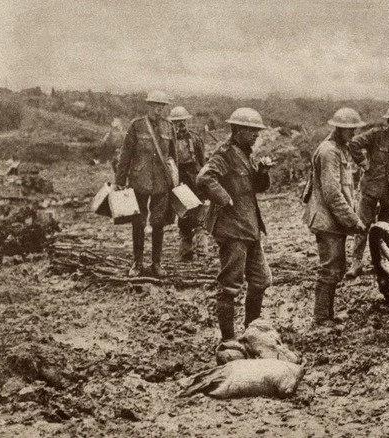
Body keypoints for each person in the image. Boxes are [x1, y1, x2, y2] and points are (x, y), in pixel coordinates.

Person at [196, 108, 274, 346]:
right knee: (230, 285)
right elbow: (204, 178)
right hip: (232, 229)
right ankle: (229, 340)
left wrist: (262, 172)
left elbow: (258, 188)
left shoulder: (246, 154)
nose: (255, 136)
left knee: (260, 280)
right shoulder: (225, 154)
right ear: (237, 130)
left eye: (257, 132)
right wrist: (224, 198)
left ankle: (251, 333)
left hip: (249, 227)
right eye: (251, 131)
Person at [303, 108, 367, 325]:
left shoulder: (339, 148)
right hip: (326, 219)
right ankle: (321, 317)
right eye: (348, 129)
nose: (353, 133)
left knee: (336, 267)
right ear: (337, 128)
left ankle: (327, 315)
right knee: (330, 268)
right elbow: (332, 194)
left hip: (332, 219)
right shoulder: (329, 152)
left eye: (354, 129)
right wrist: (353, 220)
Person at [345, 105, 389, 278]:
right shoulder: (375, 134)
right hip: (370, 187)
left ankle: (382, 262)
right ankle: (356, 262)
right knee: (362, 225)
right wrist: (363, 163)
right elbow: (353, 144)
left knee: (386, 228)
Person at [115, 90, 176, 278]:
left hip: (161, 182)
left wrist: (175, 182)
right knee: (138, 222)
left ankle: (156, 263)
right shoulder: (137, 125)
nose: (158, 110)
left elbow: (173, 157)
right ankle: (137, 262)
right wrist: (120, 181)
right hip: (139, 180)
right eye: (155, 106)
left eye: (161, 107)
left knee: (158, 222)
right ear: (148, 106)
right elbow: (125, 155)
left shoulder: (169, 127)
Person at [167, 106, 206, 261]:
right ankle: (186, 251)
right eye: (177, 122)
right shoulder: (168, 141)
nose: (181, 125)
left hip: (194, 180)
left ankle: (202, 251)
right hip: (179, 182)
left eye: (183, 121)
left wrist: (203, 182)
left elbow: (202, 162)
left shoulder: (196, 139)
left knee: (199, 216)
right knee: (183, 217)